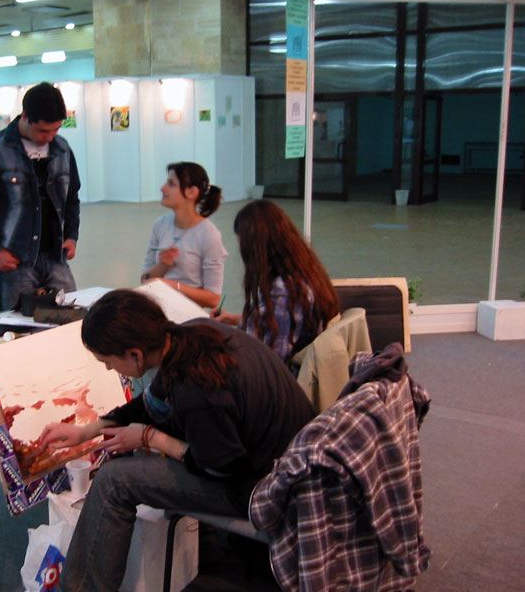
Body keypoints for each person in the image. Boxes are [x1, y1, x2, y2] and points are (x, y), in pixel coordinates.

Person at [38, 289, 316, 591]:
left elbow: (221, 468)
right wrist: (88, 430)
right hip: (292, 460)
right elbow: (151, 403)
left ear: (135, 355)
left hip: (266, 488)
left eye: (107, 361)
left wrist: (151, 438)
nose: (107, 368)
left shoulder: (195, 390)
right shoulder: (191, 333)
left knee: (114, 481)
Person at [0, 82, 80, 310]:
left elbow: (72, 197)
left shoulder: (62, 149)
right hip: (15, 265)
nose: (50, 137)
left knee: (70, 321)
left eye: (56, 130)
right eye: (43, 131)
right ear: (25, 117)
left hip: (56, 259)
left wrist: (71, 235)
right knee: (19, 326)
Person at [214, 200, 339, 364]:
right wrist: (234, 320)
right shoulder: (305, 272)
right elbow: (278, 324)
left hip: (278, 375)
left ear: (256, 248)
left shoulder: (283, 293)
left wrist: (216, 340)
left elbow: (268, 359)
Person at [140, 162, 227, 309]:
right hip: (160, 309)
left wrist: (173, 286)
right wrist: (163, 265)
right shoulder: (160, 225)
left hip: (190, 315)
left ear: (191, 192)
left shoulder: (209, 235)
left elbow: (213, 299)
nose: (162, 188)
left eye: (171, 184)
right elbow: (145, 280)